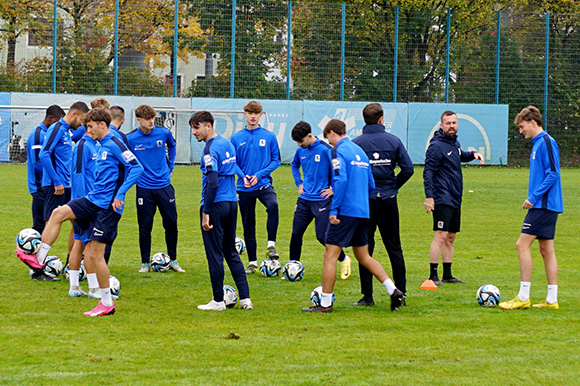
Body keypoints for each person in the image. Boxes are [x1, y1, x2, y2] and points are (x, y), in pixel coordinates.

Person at [15, 108, 143, 316]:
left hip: (107, 207)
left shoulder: (115, 142)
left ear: (103, 124)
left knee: (94, 255)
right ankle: (38, 261)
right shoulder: (98, 144)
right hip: (92, 199)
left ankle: (106, 303)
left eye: (90, 126)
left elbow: (137, 168)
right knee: (58, 213)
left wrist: (120, 193)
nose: (87, 130)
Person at [302, 119, 404, 313]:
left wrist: (334, 210)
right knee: (363, 256)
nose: (330, 143)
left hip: (345, 211)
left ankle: (324, 304)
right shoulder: (360, 152)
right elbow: (371, 184)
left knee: (330, 256)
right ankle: (393, 290)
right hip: (363, 211)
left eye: (329, 139)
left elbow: (340, 179)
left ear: (332, 133)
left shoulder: (337, 151)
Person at [499, 106, 563, 310]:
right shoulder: (537, 144)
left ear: (533, 123)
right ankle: (552, 300)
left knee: (521, 245)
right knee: (546, 250)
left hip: (543, 205)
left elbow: (553, 173)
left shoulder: (546, 142)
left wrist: (534, 197)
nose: (520, 131)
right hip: (546, 205)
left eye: (522, 126)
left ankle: (523, 296)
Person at [190, 111, 253, 311]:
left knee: (215, 254)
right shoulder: (226, 143)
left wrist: (206, 211)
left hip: (215, 205)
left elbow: (213, 182)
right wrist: (243, 177)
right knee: (230, 251)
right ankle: (245, 299)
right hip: (231, 203)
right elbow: (233, 168)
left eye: (197, 127)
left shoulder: (209, 150)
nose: (194, 132)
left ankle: (218, 301)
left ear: (209, 125)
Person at [352, 103, 414, 305]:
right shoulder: (393, 140)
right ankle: (401, 295)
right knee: (394, 247)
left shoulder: (356, 143)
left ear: (365, 120)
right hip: (388, 200)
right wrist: (393, 186)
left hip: (366, 202)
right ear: (381, 119)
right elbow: (408, 169)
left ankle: (367, 297)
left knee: (365, 248)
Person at [423, 110, 483, 285]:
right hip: (442, 197)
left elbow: (459, 155)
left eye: (454, 123)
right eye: (448, 123)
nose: (451, 126)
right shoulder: (436, 146)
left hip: (455, 197)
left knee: (450, 237)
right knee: (440, 235)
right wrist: (429, 197)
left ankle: (447, 275)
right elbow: (428, 172)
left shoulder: (453, 142)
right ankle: (433, 276)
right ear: (441, 125)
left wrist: (472, 154)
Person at [289, 121, 352, 279]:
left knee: (322, 236)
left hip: (322, 200)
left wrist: (333, 189)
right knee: (296, 233)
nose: (299, 144)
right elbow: (294, 166)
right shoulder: (300, 151)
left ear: (310, 136)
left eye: (301, 141)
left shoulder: (327, 150)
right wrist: (299, 183)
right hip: (304, 199)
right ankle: (292, 267)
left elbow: (339, 172)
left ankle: (344, 259)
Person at [127, 104, 183, 273]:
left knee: (172, 223)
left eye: (153, 118)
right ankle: (145, 263)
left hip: (164, 186)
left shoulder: (163, 133)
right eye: (147, 119)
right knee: (145, 226)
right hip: (144, 188)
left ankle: (173, 260)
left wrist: (170, 166)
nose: (151, 121)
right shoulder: (130, 139)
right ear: (139, 120)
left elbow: (172, 147)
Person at [36, 101, 89, 274]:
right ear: (74, 114)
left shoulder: (67, 131)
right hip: (55, 185)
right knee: (51, 222)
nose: (82, 124)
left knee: (77, 222)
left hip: (67, 185)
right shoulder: (57, 128)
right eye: (81, 119)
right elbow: (44, 153)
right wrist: (57, 180)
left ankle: (71, 265)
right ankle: (37, 267)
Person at [230, 101, 281, 273]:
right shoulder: (236, 138)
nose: (252, 116)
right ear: (244, 114)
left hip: (263, 184)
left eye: (256, 113)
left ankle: (271, 245)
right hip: (244, 187)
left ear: (261, 115)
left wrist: (258, 175)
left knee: (273, 205)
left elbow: (276, 160)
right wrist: (244, 177)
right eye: (249, 113)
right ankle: (252, 263)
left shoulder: (269, 136)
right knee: (248, 225)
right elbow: (233, 162)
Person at [67, 119, 99, 298]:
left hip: (88, 201)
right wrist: (81, 203)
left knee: (79, 243)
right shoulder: (82, 146)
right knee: (90, 245)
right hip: (85, 203)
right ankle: (94, 288)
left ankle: (74, 287)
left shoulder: (94, 145)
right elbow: (78, 174)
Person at [26, 105, 65, 235]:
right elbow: (37, 162)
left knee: (47, 222)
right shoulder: (38, 134)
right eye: (58, 121)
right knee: (39, 226)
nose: (59, 126)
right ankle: (28, 253)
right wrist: (53, 177)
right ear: (51, 118)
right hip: (39, 187)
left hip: (45, 185)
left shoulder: (48, 134)